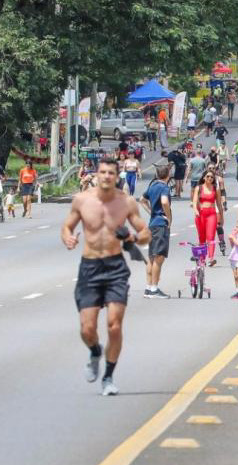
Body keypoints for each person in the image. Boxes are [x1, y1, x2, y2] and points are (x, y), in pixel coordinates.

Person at [61, 157, 150, 396]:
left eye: (111, 173)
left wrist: (132, 238)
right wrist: (68, 237)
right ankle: (94, 351)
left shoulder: (126, 203)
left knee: (114, 325)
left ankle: (109, 376)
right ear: (96, 174)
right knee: (87, 328)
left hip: (115, 268)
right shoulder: (82, 200)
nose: (107, 176)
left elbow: (145, 233)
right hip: (89, 268)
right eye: (103, 172)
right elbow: (67, 226)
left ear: (117, 176)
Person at [139, 165, 172, 299]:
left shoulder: (152, 186)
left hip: (152, 224)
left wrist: (151, 212)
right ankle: (154, 289)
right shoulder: (164, 187)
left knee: (152, 258)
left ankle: (148, 288)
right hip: (160, 225)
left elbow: (142, 200)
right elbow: (164, 202)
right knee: (159, 258)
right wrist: (168, 217)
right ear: (168, 174)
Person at [192, 170, 225, 266]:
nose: (210, 178)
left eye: (211, 177)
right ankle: (202, 259)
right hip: (201, 214)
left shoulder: (215, 189)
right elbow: (194, 201)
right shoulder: (199, 188)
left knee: (210, 237)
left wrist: (221, 217)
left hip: (212, 214)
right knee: (202, 238)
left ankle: (211, 258)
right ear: (204, 178)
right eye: (208, 176)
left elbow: (219, 204)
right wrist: (196, 210)